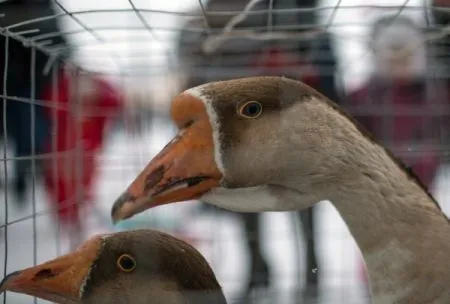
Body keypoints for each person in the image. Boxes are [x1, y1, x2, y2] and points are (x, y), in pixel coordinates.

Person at [176, 0, 343, 302]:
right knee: (250, 202)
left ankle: (308, 274)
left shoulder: (305, 23)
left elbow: (329, 81)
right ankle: (264, 270)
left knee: (302, 207)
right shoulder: (225, 20)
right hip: (247, 132)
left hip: (296, 131)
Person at [345, 14, 450, 288]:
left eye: (406, 56)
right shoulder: (362, 96)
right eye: (391, 56)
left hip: (424, 188)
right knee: (378, 246)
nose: (398, 63)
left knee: (424, 243)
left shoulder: (436, 95)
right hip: (375, 191)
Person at [0, 0, 70, 205]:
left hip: (33, 84)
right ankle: (26, 172)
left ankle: (26, 173)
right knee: (24, 131)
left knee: (29, 132)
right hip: (15, 83)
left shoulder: (43, 7)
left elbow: (59, 41)